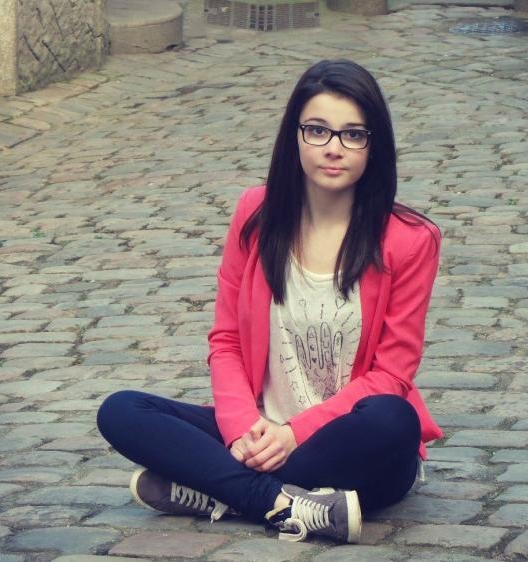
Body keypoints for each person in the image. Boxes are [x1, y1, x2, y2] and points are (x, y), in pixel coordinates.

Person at [96, 59, 443, 544]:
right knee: (122, 410)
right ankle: (280, 502)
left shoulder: (410, 240)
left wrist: (293, 435)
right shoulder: (255, 214)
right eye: (317, 130)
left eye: (353, 135)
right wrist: (243, 429)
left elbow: (392, 375)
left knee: (393, 418)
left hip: (345, 441)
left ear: (374, 144)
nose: (334, 148)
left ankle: (219, 490)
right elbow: (226, 341)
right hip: (260, 430)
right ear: (294, 136)